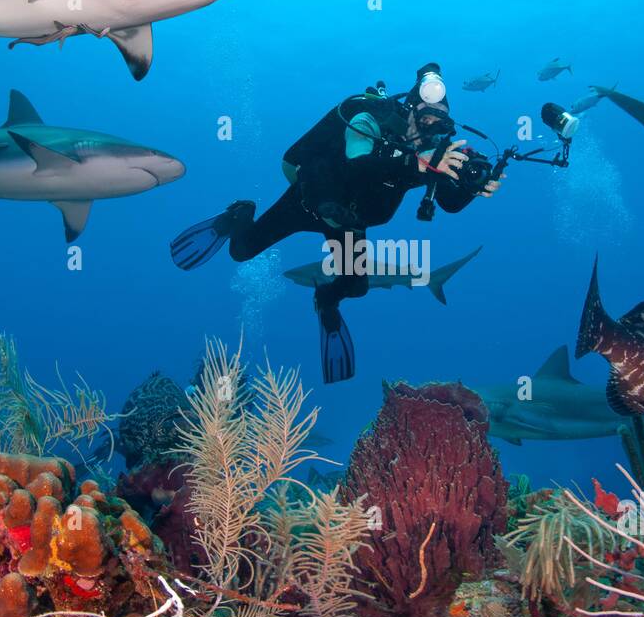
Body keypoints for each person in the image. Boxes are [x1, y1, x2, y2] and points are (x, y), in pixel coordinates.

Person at [170, 63, 502, 383]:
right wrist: (415, 164)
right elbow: (356, 164)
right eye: (428, 116)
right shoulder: (370, 118)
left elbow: (450, 204)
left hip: (349, 223)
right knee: (241, 252)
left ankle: (325, 299)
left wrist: (475, 187)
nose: (433, 126)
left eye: (441, 120)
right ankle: (239, 214)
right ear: (410, 109)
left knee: (355, 286)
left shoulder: (435, 151)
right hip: (309, 203)